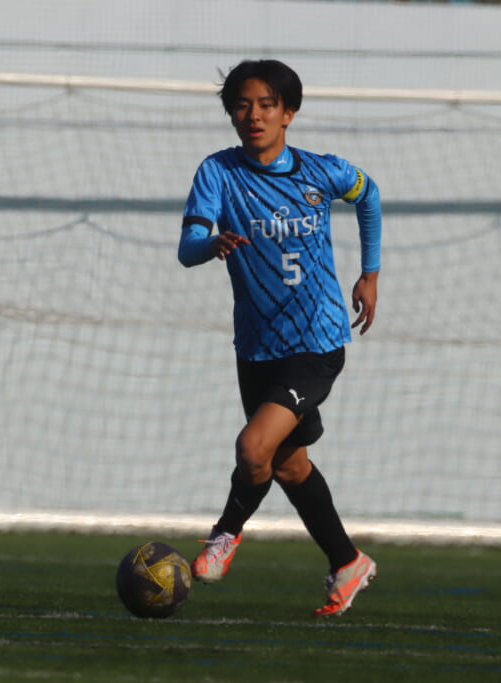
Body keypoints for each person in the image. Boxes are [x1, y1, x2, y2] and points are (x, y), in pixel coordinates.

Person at [177, 59, 382, 617]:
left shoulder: (322, 171)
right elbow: (187, 248)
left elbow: (369, 195)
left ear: (288, 113)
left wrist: (370, 273)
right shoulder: (217, 173)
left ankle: (224, 534)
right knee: (287, 465)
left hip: (317, 341)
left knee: (253, 448)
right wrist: (211, 244)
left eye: (266, 105)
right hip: (257, 346)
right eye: (243, 105)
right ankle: (347, 562)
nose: (254, 115)